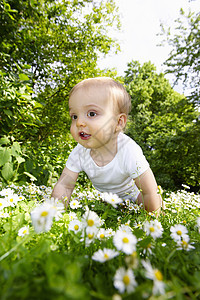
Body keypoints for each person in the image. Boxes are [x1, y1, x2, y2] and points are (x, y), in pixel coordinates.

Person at [51, 77, 162, 212]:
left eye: (91, 113)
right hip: (106, 198)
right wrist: (53, 212)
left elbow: (149, 191)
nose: (79, 122)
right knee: (103, 210)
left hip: (133, 196)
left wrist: (153, 218)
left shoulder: (129, 151)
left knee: (148, 202)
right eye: (74, 116)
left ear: (119, 122)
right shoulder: (79, 152)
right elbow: (65, 186)